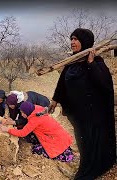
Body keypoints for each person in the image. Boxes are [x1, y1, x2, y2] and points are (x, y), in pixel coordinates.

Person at [48, 28, 116, 179]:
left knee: (92, 141)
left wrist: (91, 64)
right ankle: (86, 164)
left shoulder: (97, 62)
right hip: (78, 113)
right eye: (71, 39)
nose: (72, 42)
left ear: (85, 41)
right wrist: (55, 99)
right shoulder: (71, 62)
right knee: (82, 140)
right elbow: (62, 82)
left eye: (76, 39)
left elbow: (104, 84)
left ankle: (94, 168)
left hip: (93, 114)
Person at [0, 101, 74, 162]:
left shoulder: (35, 120)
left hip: (55, 139)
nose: (21, 114)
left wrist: (7, 129)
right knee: (33, 137)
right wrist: (13, 122)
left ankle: (63, 154)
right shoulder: (37, 109)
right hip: (60, 134)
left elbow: (22, 133)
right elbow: (26, 122)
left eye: (22, 113)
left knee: (36, 150)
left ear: (27, 112)